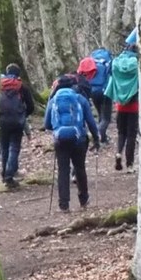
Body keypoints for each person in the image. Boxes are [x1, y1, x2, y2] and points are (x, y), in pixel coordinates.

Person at [43, 72, 103, 213]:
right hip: (79, 139)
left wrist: (58, 128)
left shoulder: (53, 100)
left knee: (63, 170)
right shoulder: (80, 99)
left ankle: (64, 204)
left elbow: (46, 124)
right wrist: (96, 138)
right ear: (73, 85)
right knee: (80, 168)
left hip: (60, 139)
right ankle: (84, 199)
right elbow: (90, 121)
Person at [0, 63, 36, 188]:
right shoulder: (22, 87)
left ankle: (4, 174)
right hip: (17, 122)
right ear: (18, 74)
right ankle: (9, 175)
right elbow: (31, 106)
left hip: (1, 121)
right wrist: (23, 115)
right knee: (14, 148)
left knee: (4, 148)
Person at [106, 31, 141, 171]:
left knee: (121, 133)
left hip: (120, 105)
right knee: (132, 135)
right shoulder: (137, 64)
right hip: (134, 105)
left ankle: (118, 153)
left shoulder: (116, 63)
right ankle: (130, 165)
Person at [84, 45, 116, 141]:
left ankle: (103, 137)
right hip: (105, 90)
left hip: (92, 91)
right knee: (106, 118)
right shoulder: (108, 60)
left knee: (100, 114)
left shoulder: (92, 60)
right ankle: (97, 135)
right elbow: (112, 74)